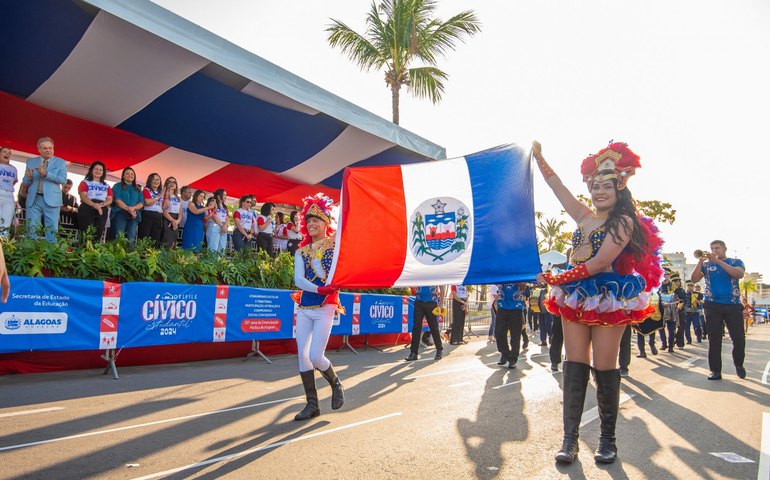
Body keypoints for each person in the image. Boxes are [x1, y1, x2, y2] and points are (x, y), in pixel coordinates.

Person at [533, 140, 663, 464]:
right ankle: (570, 440)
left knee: (605, 367)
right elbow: (557, 187)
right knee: (574, 364)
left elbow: (598, 263)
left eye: (607, 186)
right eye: (595, 186)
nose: (599, 191)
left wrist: (553, 279)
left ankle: (608, 440)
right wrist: (539, 157)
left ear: (620, 189)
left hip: (608, 296)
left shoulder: (622, 222)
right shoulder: (584, 217)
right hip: (576, 295)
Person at [291, 193, 344, 420]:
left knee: (315, 355)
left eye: (317, 220)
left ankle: (335, 383)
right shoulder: (300, 251)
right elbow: (299, 280)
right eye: (308, 220)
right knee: (302, 356)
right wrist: (319, 288)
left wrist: (323, 282)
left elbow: (332, 277)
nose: (311, 223)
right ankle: (312, 405)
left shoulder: (337, 246)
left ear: (326, 223)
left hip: (325, 307)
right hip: (305, 306)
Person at [691, 240, 746, 380]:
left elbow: (738, 274)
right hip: (712, 304)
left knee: (738, 338)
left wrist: (717, 261)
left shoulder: (735, 261)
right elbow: (694, 279)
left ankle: (739, 364)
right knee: (714, 339)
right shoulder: (706, 264)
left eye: (717, 248)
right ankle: (715, 370)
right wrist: (700, 261)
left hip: (732, 304)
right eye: (712, 248)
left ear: (724, 249)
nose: (715, 250)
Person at [21, 137, 68, 242]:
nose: (48, 150)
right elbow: (25, 183)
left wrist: (46, 173)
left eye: (51, 148)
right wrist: (28, 177)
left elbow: (63, 179)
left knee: (51, 230)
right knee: (31, 228)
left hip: (52, 200)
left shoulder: (60, 162)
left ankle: (50, 256)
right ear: (39, 149)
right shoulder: (31, 162)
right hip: (34, 199)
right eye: (45, 148)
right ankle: (31, 254)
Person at [76, 161, 113, 242]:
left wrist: (101, 205)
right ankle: (82, 252)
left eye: (101, 170)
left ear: (103, 172)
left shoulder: (106, 185)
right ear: (91, 170)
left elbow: (110, 199)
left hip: (102, 208)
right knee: (85, 233)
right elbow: (83, 196)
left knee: (98, 233)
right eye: (96, 169)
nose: (98, 171)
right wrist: (93, 204)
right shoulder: (85, 182)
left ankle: (93, 252)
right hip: (87, 207)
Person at [494, 282, 528, 369]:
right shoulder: (501, 273)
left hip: (516, 308)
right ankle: (505, 353)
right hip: (502, 306)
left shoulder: (520, 273)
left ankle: (513, 358)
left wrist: (520, 283)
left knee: (515, 334)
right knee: (499, 332)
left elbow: (524, 287)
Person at [405, 286, 444, 361]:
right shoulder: (419, 273)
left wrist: (441, 303)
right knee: (416, 327)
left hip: (431, 302)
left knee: (434, 327)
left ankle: (439, 350)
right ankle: (413, 353)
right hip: (419, 302)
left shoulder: (436, 274)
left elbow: (442, 286)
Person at [109, 167, 143, 242]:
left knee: (131, 237)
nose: (130, 175)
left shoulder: (137, 189)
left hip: (133, 215)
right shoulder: (117, 186)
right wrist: (128, 208)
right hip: (120, 213)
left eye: (132, 174)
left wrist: (133, 209)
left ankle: (129, 253)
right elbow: (117, 200)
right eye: (127, 174)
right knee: (118, 236)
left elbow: (141, 203)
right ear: (123, 176)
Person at [138, 173, 164, 245]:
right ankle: (142, 255)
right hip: (147, 215)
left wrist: (166, 196)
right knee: (144, 237)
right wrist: (158, 197)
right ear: (150, 180)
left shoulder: (160, 192)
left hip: (158, 216)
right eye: (154, 179)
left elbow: (164, 206)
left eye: (158, 179)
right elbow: (147, 202)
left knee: (155, 239)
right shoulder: (146, 190)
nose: (156, 181)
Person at [0, 147, 19, 238]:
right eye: (4, 152)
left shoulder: (14, 169)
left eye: (9, 153)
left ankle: (2, 249)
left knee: (5, 225)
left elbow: (14, 182)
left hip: (9, 196)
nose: (7, 154)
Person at [205, 188, 229, 253]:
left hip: (223, 228)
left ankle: (220, 262)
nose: (225, 196)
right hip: (214, 226)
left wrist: (225, 226)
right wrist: (222, 226)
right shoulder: (213, 204)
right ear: (218, 196)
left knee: (222, 249)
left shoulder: (225, 206)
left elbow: (227, 218)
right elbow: (213, 216)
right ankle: (211, 262)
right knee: (213, 248)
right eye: (224, 194)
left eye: (226, 195)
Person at [160, 177, 182, 248]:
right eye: (170, 182)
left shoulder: (178, 197)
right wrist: (172, 221)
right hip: (168, 219)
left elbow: (180, 211)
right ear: (166, 183)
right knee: (166, 241)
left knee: (173, 242)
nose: (172, 184)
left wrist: (177, 221)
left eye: (174, 182)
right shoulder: (163, 194)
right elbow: (164, 209)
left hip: (176, 220)